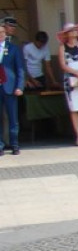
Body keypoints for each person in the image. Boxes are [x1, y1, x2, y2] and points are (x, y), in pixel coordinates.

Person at [56, 22, 78, 146]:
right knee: (74, 108)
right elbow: (63, 65)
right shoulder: (62, 47)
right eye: (72, 30)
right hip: (70, 79)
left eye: (76, 30)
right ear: (67, 34)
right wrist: (76, 73)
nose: (74, 32)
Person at [0, 21, 25, 155]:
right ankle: (0, 145)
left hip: (10, 86)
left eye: (2, 33)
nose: (0, 35)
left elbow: (20, 69)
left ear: (5, 34)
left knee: (12, 118)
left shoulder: (13, 48)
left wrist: (20, 86)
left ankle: (15, 144)